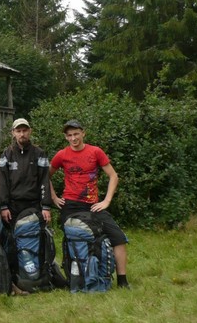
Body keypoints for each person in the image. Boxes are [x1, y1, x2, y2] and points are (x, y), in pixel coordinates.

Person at [49, 119, 130, 289]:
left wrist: (106, 201)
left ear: (83, 133)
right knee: (73, 238)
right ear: (66, 137)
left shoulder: (96, 152)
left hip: (93, 206)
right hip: (70, 206)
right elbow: (44, 176)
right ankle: (75, 277)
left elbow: (113, 176)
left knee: (119, 238)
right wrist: (54, 198)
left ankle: (122, 281)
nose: (73, 138)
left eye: (76, 134)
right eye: (69, 135)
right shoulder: (62, 155)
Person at [0, 118, 52, 225]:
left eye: (24, 130)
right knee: (13, 239)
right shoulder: (6, 154)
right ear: (13, 133)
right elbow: (2, 182)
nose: (22, 134)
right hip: (13, 206)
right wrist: (3, 206)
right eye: (18, 131)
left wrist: (46, 206)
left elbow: (44, 180)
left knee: (34, 238)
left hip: (34, 205)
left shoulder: (40, 153)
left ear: (30, 131)